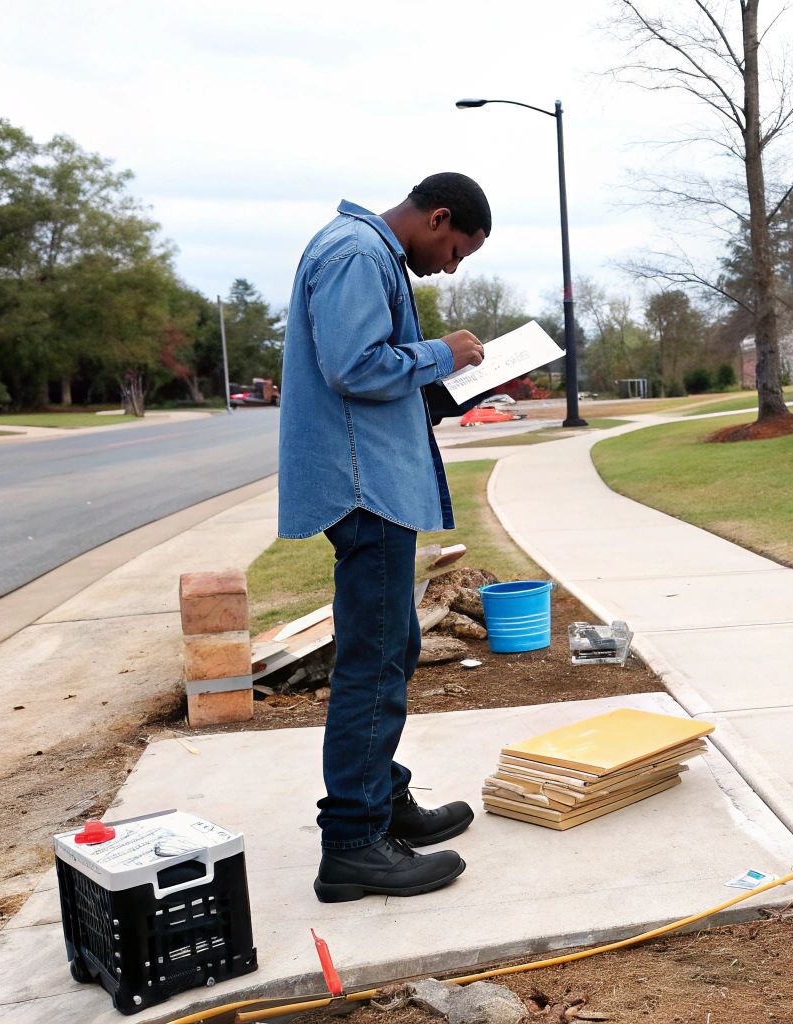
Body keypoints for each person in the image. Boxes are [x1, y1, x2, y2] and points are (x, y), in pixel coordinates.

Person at [278, 173, 493, 903]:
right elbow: (354, 366)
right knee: (371, 663)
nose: (452, 265)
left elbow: (374, 375)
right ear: (438, 217)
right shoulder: (356, 254)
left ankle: (382, 801)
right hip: (362, 489)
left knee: (392, 646)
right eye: (456, 248)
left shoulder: (369, 254)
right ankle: (353, 844)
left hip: (376, 484)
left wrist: (441, 384)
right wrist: (443, 353)